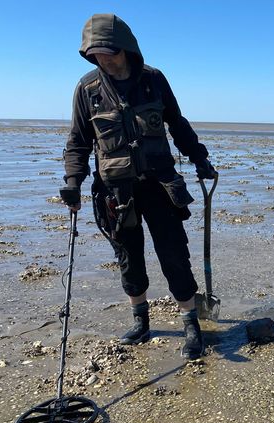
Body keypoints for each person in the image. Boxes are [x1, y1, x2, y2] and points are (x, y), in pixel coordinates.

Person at [61, 14, 217, 360]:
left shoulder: (154, 80)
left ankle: (190, 322)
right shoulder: (87, 90)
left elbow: (177, 124)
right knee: (128, 257)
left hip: (160, 185)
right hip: (115, 191)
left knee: (174, 254)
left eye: (110, 52)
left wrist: (199, 159)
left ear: (127, 48)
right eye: (96, 54)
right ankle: (140, 319)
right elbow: (77, 142)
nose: (104, 59)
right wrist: (73, 182)